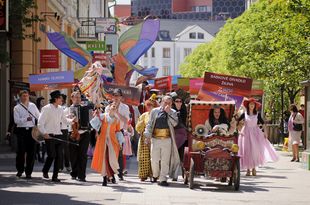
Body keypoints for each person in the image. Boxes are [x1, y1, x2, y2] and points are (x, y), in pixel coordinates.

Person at [38, 90, 74, 182]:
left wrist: (72, 121)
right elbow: (40, 123)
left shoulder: (60, 109)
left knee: (59, 156)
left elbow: (64, 120)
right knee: (52, 155)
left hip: (59, 135)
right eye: (60, 99)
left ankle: (55, 176)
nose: (62, 100)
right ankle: (45, 170)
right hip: (49, 135)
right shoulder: (46, 108)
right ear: (55, 99)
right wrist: (44, 133)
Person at [144, 95, 180, 186]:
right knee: (154, 159)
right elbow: (150, 124)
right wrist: (147, 135)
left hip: (167, 139)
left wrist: (169, 113)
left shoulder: (173, 112)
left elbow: (175, 124)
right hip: (155, 139)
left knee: (165, 160)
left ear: (171, 104)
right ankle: (155, 175)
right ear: (162, 102)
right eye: (165, 102)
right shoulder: (155, 111)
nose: (167, 104)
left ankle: (163, 178)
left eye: (169, 103)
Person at [238, 98, 278, 176]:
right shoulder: (244, 114)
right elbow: (237, 122)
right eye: (250, 104)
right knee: (247, 151)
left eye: (253, 104)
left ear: (255, 106)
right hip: (246, 133)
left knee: (254, 150)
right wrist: (240, 131)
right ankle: (248, 169)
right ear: (248, 105)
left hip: (256, 133)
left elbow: (263, 123)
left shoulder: (257, 114)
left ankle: (254, 168)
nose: (252, 105)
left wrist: (265, 132)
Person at [91, 103, 122, 186]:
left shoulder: (117, 119)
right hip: (102, 140)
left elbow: (118, 131)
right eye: (113, 106)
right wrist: (96, 115)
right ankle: (104, 178)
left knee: (111, 159)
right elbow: (94, 124)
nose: (114, 108)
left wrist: (120, 142)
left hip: (112, 141)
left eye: (116, 107)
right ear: (109, 107)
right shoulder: (103, 116)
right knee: (104, 158)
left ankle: (111, 175)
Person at [13, 90, 40, 179]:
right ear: (20, 97)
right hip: (21, 131)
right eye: (23, 96)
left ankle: (29, 172)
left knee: (31, 153)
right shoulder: (17, 108)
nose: (25, 97)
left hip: (31, 131)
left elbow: (38, 116)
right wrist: (25, 119)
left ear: (29, 96)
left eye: (27, 96)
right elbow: (16, 121)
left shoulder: (33, 106)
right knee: (21, 152)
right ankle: (20, 170)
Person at [105, 89, 130, 181]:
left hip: (119, 132)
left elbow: (125, 120)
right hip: (109, 132)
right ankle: (110, 174)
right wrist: (111, 111)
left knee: (119, 154)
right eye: (114, 95)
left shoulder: (125, 107)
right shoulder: (108, 107)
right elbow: (106, 120)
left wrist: (116, 112)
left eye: (118, 95)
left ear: (121, 97)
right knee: (109, 153)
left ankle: (119, 173)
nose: (116, 97)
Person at [68, 91, 92, 182]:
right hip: (73, 134)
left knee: (83, 155)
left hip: (84, 133)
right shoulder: (67, 109)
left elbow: (90, 119)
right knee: (73, 155)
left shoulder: (85, 108)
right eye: (76, 97)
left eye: (79, 97)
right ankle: (74, 172)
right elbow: (64, 121)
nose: (78, 99)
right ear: (72, 98)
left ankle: (82, 175)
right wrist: (69, 119)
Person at [136, 94, 158, 181]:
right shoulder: (144, 115)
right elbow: (138, 128)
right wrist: (140, 124)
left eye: (151, 105)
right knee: (144, 157)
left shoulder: (157, 115)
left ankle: (154, 174)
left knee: (154, 157)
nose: (149, 107)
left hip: (154, 138)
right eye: (148, 105)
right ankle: (143, 175)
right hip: (144, 138)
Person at [171, 95, 187, 181]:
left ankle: (182, 172)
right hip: (173, 135)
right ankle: (174, 174)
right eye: (176, 101)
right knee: (173, 156)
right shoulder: (171, 111)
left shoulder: (185, 111)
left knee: (181, 157)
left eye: (180, 101)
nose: (178, 103)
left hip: (183, 136)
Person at [59, 94, 71, 172]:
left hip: (64, 129)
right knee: (59, 149)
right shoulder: (55, 107)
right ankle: (60, 166)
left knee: (66, 149)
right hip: (56, 129)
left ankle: (67, 165)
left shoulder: (67, 109)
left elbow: (68, 119)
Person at [35, 97, 46, 163]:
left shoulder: (45, 109)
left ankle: (43, 157)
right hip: (37, 128)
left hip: (44, 128)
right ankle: (38, 155)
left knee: (44, 143)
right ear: (39, 102)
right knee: (37, 143)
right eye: (42, 101)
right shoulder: (36, 109)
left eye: (44, 101)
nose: (43, 103)